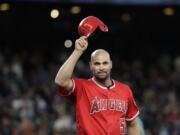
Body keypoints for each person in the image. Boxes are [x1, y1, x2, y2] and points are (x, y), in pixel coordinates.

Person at [55, 36, 142, 135]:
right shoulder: (82, 87)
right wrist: (77, 51)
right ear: (91, 66)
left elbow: (133, 124)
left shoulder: (125, 90)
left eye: (105, 63)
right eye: (97, 63)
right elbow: (60, 81)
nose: (101, 67)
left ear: (111, 64)